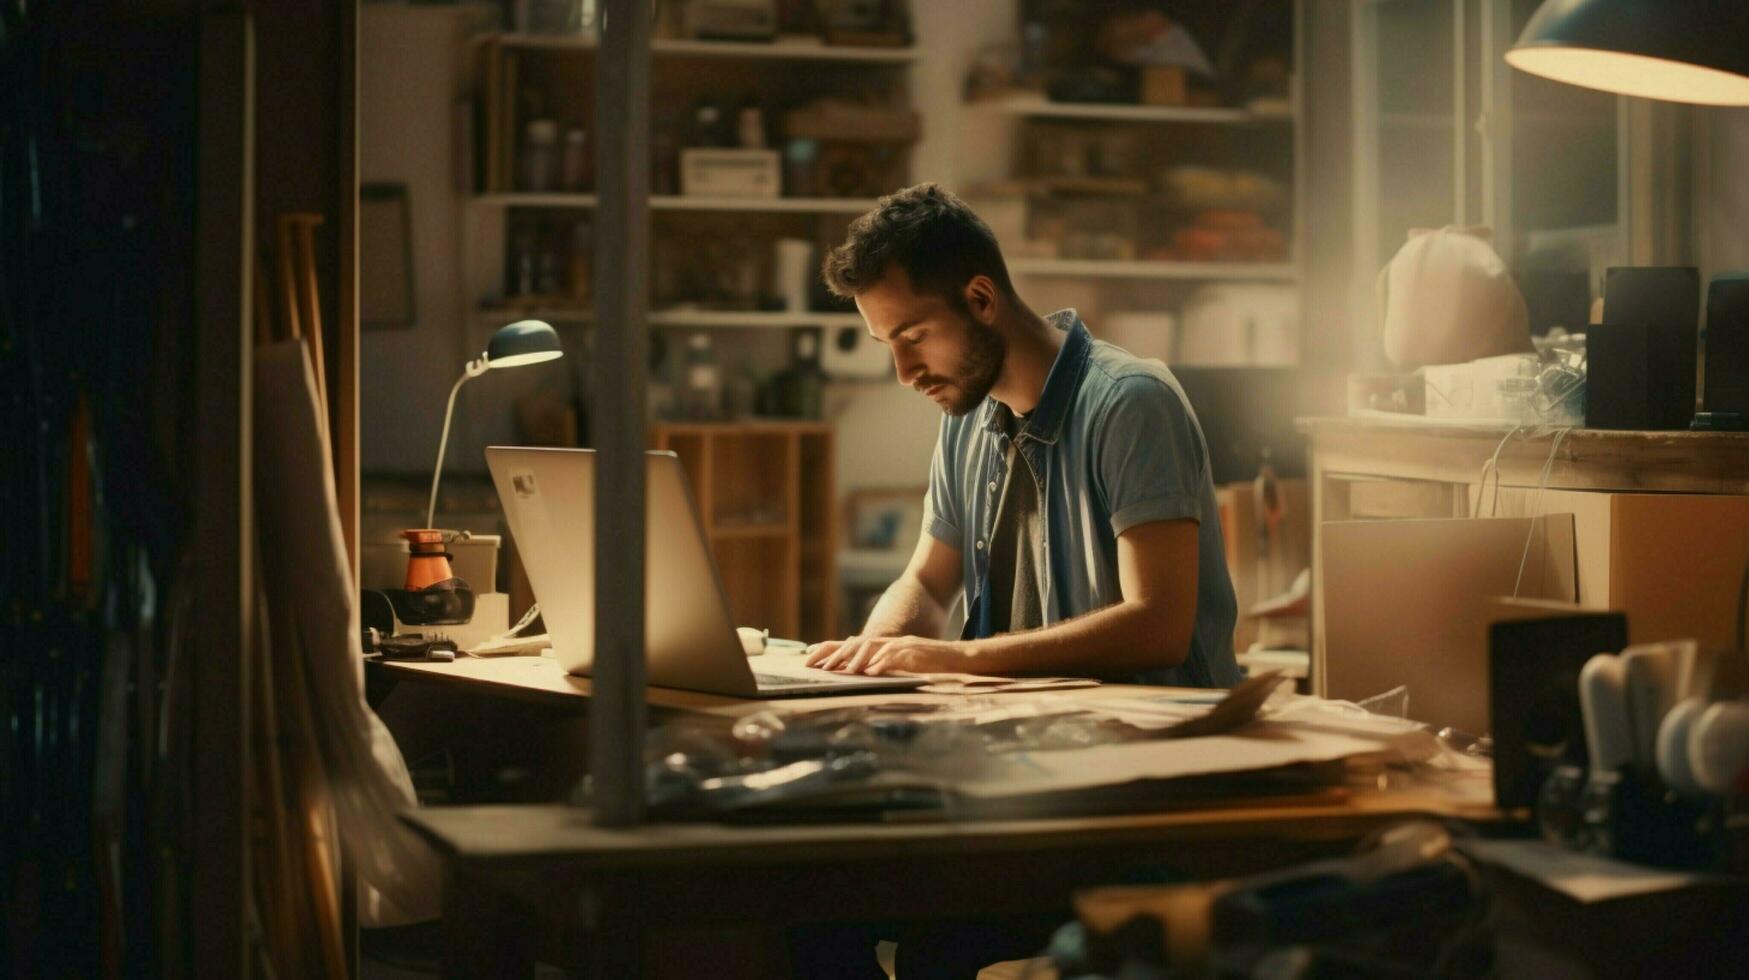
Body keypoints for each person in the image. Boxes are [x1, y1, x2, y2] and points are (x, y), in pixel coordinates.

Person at [805, 182, 1240, 690]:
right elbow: (925, 583)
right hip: (1032, 739)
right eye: (888, 345)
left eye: (915, 337)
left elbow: (1158, 626)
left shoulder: (1132, 401)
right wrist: (873, 655)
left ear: (982, 299)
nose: (904, 372)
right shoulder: (963, 413)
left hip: (1166, 745)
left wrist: (958, 658)